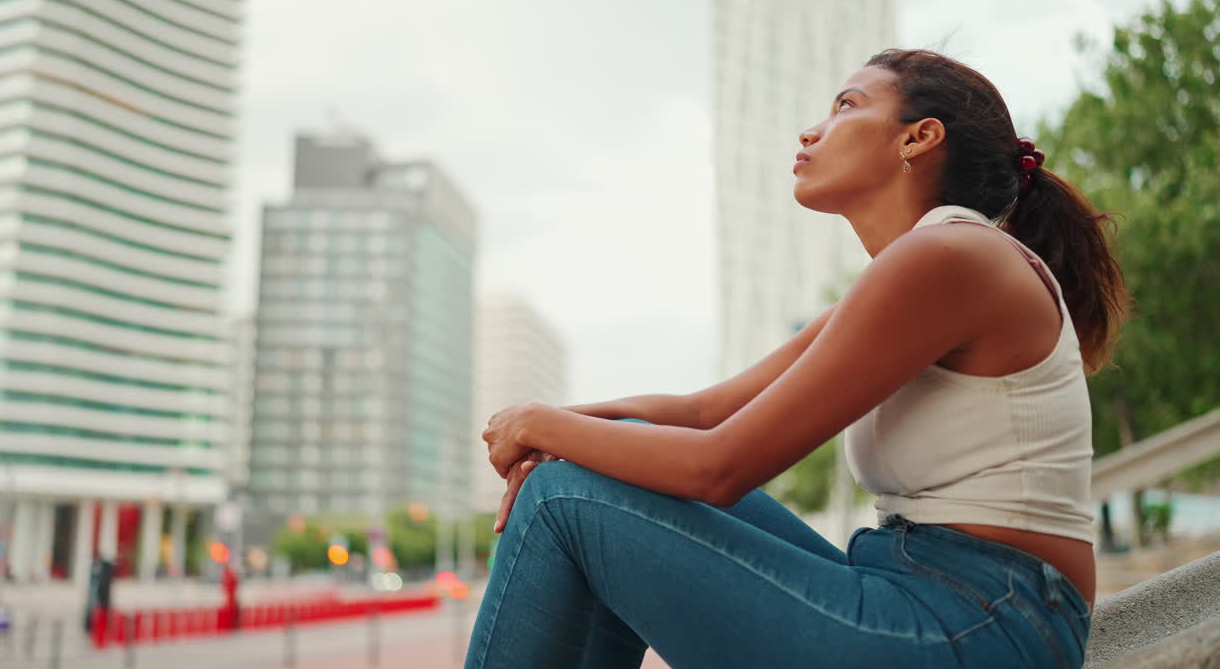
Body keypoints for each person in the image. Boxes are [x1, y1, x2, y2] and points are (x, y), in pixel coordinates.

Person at [469, 48, 1129, 669]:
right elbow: (700, 414)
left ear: (917, 138)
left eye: (846, 105)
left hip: (983, 625)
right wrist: (546, 427)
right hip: (935, 598)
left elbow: (716, 466)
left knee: (562, 497)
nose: (812, 131)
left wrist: (539, 427)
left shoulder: (951, 256)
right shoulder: (912, 274)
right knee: (594, 466)